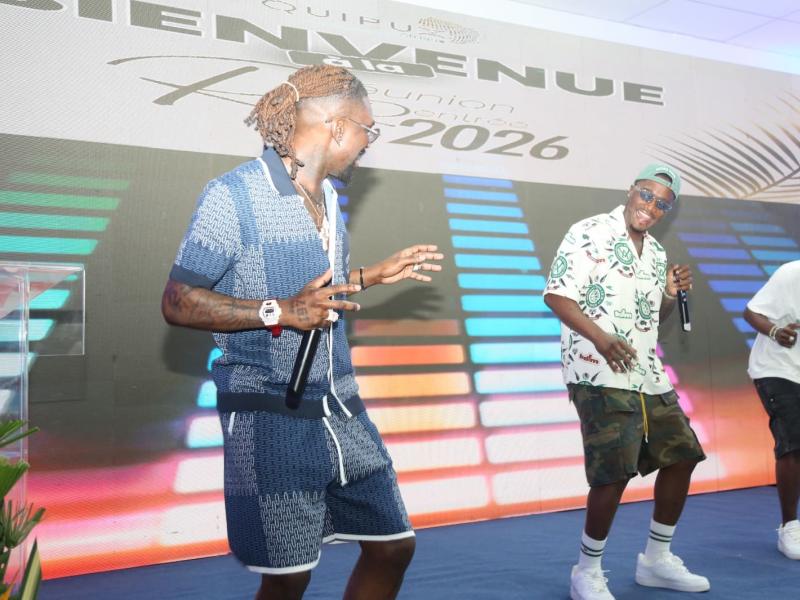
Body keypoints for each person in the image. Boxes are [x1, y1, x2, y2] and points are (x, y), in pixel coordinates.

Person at [161, 65, 443, 600]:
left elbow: (315, 292)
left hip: (341, 406)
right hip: (270, 415)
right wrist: (280, 311)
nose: (367, 143)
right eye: (367, 129)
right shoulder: (233, 195)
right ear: (337, 127)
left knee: (393, 545)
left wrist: (368, 276)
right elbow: (178, 301)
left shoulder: (328, 199)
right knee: (289, 577)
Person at [543, 164, 709, 599]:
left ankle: (656, 560)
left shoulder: (656, 252)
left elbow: (653, 318)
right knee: (613, 472)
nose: (651, 207)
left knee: (683, 455)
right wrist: (601, 339)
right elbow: (557, 294)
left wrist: (669, 293)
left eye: (662, 204)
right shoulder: (589, 231)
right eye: (646, 195)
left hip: (646, 371)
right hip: (595, 368)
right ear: (631, 190)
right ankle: (587, 571)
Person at [743, 261, 800, 559]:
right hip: (777, 369)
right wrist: (776, 331)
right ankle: (790, 526)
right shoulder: (792, 272)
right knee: (793, 440)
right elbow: (751, 312)